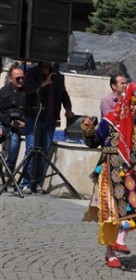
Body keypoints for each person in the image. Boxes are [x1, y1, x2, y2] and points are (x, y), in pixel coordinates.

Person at [80, 82, 136, 269]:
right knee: (111, 213)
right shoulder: (111, 120)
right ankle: (110, 252)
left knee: (132, 210)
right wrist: (88, 130)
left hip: (133, 173)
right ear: (126, 101)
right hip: (110, 172)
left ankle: (120, 239)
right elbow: (94, 142)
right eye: (133, 103)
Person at [21, 61, 74, 194]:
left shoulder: (58, 77)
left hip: (50, 119)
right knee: (31, 149)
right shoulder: (31, 73)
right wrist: (44, 84)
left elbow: (64, 95)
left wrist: (68, 109)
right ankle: (26, 183)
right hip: (33, 117)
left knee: (44, 151)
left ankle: (37, 182)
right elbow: (28, 90)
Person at [0, 64, 26, 175]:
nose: (20, 80)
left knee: (14, 143)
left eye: (22, 78)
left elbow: (30, 111)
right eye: (17, 78)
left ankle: (9, 172)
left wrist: (24, 123)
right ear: (10, 79)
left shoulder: (27, 93)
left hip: (18, 126)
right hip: (4, 123)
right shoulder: (3, 91)